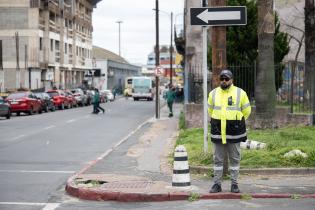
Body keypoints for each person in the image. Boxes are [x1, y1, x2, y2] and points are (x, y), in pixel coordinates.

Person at [207, 69, 251, 193]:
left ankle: (234, 184)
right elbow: (210, 111)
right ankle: (217, 184)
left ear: (232, 80)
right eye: (222, 79)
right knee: (217, 160)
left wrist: (237, 122)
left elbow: (247, 111)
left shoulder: (240, 93)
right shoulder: (213, 93)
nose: (224, 81)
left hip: (235, 132)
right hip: (218, 131)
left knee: (235, 160)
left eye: (227, 79)